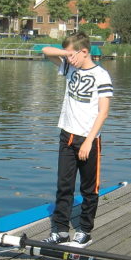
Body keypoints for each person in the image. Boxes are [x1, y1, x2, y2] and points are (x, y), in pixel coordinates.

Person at [41, 32, 113, 247]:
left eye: (73, 55)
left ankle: (85, 231)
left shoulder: (101, 75)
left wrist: (89, 141)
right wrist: (67, 54)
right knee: (64, 186)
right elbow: (45, 51)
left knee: (89, 189)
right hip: (67, 135)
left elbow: (103, 112)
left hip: (88, 139)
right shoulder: (69, 67)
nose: (69, 59)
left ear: (84, 52)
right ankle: (61, 231)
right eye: (67, 55)